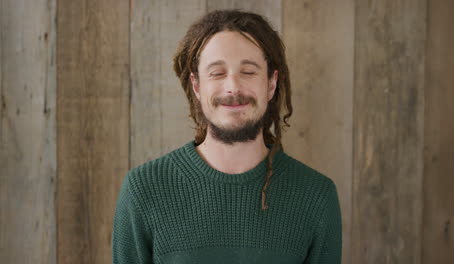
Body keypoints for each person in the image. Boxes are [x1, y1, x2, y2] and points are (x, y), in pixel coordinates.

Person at [112, 9, 342, 264]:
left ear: (271, 83)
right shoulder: (143, 190)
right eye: (217, 73)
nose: (233, 86)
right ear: (197, 85)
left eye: (249, 71)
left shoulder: (316, 195)